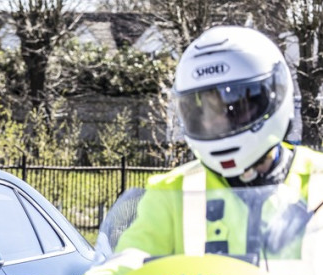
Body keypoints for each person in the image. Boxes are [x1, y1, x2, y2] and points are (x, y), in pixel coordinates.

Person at [115, 26, 323, 261]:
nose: (217, 123)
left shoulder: (319, 181)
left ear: (274, 94)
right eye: (203, 112)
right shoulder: (172, 192)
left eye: (236, 107)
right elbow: (124, 266)